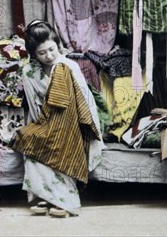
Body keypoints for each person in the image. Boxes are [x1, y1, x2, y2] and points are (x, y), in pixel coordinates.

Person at [11, 20, 103, 217]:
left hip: (73, 122)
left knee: (62, 144)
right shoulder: (29, 72)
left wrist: (70, 128)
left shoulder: (68, 66)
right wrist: (41, 130)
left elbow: (83, 103)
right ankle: (44, 196)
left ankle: (66, 202)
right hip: (46, 120)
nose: (49, 56)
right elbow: (34, 106)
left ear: (57, 44)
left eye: (52, 49)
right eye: (42, 53)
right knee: (32, 142)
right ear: (34, 54)